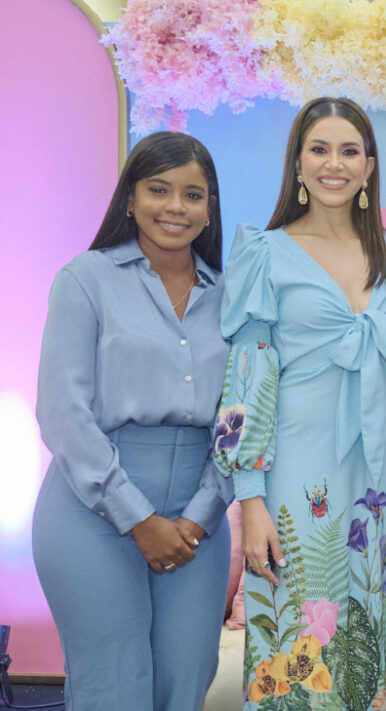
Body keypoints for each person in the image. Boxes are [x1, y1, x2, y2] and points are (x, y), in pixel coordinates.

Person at [214, 97, 386, 711]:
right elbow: (248, 379)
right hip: (295, 470)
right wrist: (250, 498)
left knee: (375, 627)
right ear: (298, 164)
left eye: (349, 151)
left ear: (369, 167)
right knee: (298, 631)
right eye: (320, 149)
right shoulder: (265, 252)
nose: (335, 164)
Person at [32, 131, 232, 710]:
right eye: (158, 190)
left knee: (185, 680)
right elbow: (62, 413)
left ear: (210, 208)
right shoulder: (85, 279)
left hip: (199, 514)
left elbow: (242, 417)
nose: (175, 207)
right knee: (113, 689)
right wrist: (138, 518)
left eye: (192, 195)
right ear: (130, 198)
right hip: (92, 507)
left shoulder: (232, 296)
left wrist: (200, 516)